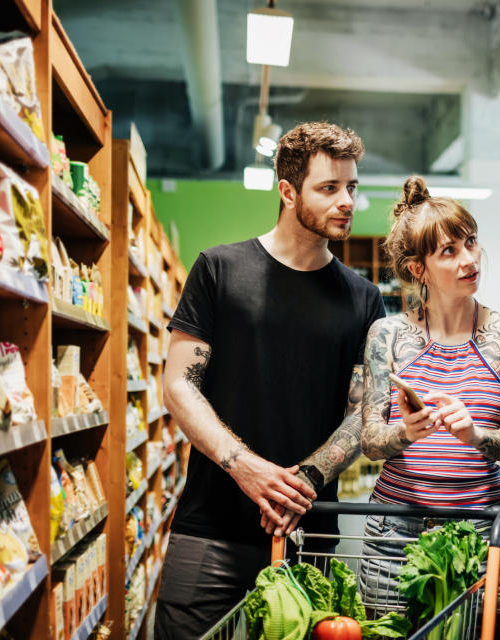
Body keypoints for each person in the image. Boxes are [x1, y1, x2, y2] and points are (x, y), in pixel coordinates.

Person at [154, 122, 386, 639]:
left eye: (352, 186)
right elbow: (179, 386)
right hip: (212, 527)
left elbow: (363, 411)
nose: (347, 201)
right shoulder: (219, 269)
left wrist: (307, 477)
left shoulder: (363, 298)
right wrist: (247, 468)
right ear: (287, 191)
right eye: (329, 188)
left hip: (311, 535)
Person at [357, 177, 500, 640]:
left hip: (480, 531)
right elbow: (371, 443)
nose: (469, 259)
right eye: (449, 251)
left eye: (470, 242)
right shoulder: (387, 336)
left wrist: (475, 435)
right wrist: (406, 433)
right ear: (419, 268)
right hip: (395, 535)